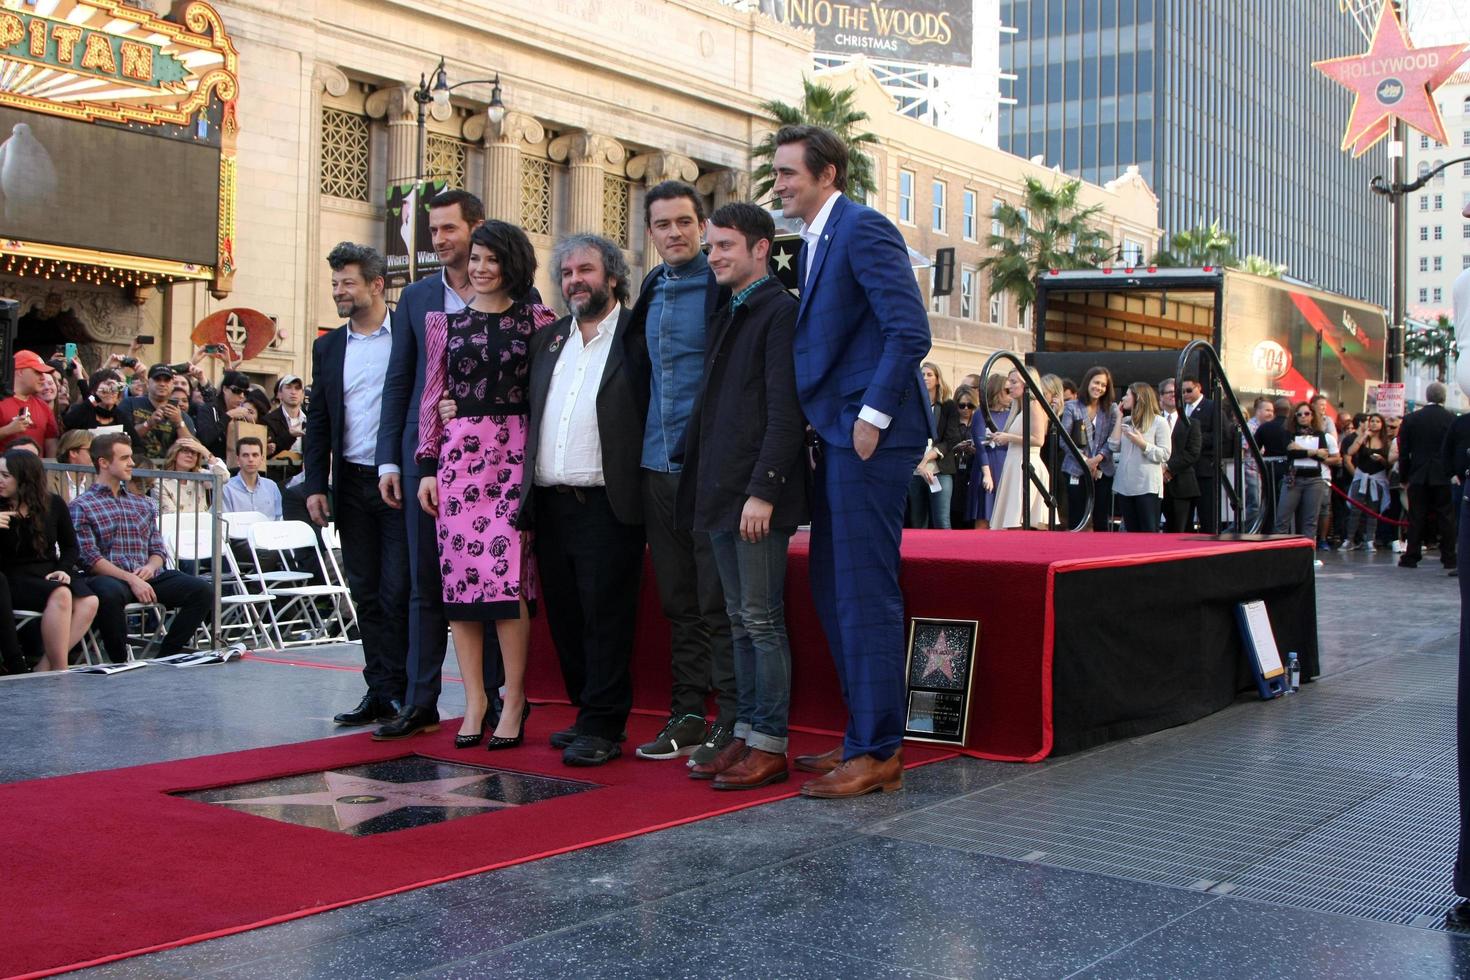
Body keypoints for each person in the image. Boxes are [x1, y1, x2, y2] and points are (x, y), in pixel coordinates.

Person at [773, 124, 930, 798]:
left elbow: (909, 330)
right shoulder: (818, 239)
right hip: (837, 435)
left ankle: (879, 751)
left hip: (870, 436)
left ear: (827, 173)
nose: (777, 184)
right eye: (777, 173)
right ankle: (863, 733)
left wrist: (870, 418)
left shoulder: (863, 229)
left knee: (863, 590)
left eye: (788, 173)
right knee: (836, 586)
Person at [675, 203, 807, 789]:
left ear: (761, 248)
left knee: (761, 621)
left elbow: (786, 411)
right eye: (711, 247)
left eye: (725, 245)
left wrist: (764, 492)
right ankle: (748, 734)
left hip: (755, 497)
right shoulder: (731, 308)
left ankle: (771, 743)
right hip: (722, 489)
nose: (714, 255)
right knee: (737, 620)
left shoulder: (779, 311)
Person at [416, 221, 555, 751]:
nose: (479, 268)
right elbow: (433, 395)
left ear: (512, 263)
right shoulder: (442, 324)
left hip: (515, 457)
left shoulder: (540, 321)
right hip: (458, 459)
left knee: (507, 581)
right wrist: (427, 465)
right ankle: (474, 699)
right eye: (475, 258)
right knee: (461, 586)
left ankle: (514, 698)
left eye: (491, 259)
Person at [375, 189, 507, 741]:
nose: (440, 240)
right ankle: (420, 700)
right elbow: (399, 380)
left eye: (449, 229)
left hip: (491, 462)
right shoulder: (417, 297)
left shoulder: (514, 292)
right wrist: (389, 457)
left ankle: (497, 700)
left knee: (489, 578)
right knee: (423, 582)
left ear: (476, 228)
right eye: (434, 231)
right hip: (422, 457)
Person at [525, 234, 649, 766]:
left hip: (607, 502)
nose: (576, 279)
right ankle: (585, 712)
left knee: (606, 618)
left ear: (613, 277)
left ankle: (603, 724)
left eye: (587, 270)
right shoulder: (548, 340)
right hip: (551, 502)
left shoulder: (636, 339)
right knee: (568, 618)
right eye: (568, 271)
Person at [626, 180, 737, 765]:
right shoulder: (652, 287)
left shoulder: (722, 289)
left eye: (684, 223)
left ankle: (732, 719)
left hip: (709, 471)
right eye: (663, 225)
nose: (674, 233)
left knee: (717, 600)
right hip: (655, 467)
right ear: (651, 233)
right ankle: (689, 714)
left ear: (702, 227)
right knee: (678, 601)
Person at [305, 242, 414, 729]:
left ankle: (409, 691)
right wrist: (315, 484)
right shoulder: (328, 346)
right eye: (334, 284)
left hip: (399, 481)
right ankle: (380, 690)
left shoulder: (407, 335)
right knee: (365, 592)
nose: (339, 292)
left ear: (377, 284)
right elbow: (319, 421)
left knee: (398, 591)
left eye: (347, 283)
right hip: (349, 480)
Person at [70, 433, 213, 662]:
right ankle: (119, 661)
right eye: (125, 458)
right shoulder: (82, 506)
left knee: (202, 590)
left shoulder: (142, 503)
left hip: (146, 574)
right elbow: (89, 558)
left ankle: (167, 656)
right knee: (108, 593)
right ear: (104, 463)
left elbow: (158, 549)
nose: (132, 463)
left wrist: (150, 566)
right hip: (111, 577)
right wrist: (131, 578)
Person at [0, 449, 98, 671]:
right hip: (14, 575)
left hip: (50, 569)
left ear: (24, 477)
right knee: (62, 593)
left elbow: (70, 546)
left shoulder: (52, 503)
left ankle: (44, 668)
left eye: (5, 476)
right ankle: (61, 671)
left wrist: (64, 568)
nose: (0, 481)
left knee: (90, 601)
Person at [1398, 380, 1457, 572]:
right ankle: (1449, 557)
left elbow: (1404, 451)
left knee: (1416, 516)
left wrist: (1404, 477)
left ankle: (1412, 555)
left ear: (1427, 397)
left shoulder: (1412, 419)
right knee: (1446, 517)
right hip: (1442, 475)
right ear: (1444, 397)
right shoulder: (1451, 419)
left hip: (1419, 474)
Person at [988, 368, 1051, 529]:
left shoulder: (1034, 404)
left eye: (1014, 382)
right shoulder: (1019, 408)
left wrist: (1008, 437)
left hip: (1026, 464)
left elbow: (1038, 439)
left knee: (1019, 520)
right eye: (1009, 381)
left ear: (1027, 384)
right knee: (1013, 522)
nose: (1009, 385)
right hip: (1015, 464)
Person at [1108, 382, 1171, 532]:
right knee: (1131, 530)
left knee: (1148, 530)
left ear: (1138, 397)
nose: (1124, 397)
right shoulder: (1126, 421)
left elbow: (1165, 453)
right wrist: (1118, 417)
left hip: (1147, 486)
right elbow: (1113, 445)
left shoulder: (1159, 422)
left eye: (1128, 394)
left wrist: (1142, 444)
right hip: (1124, 485)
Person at [1058, 366, 1115, 531]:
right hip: (1076, 468)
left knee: (1101, 518)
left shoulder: (1110, 410)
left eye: (1103, 385)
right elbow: (1064, 439)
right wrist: (1085, 461)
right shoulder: (1072, 407)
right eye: (1096, 382)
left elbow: (1112, 440)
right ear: (1088, 382)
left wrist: (1097, 460)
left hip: (1102, 469)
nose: (1099, 388)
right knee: (1076, 517)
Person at [906, 362, 962, 529]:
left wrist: (928, 459)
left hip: (940, 469)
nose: (925, 378)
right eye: (922, 375)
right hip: (916, 470)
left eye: (929, 374)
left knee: (942, 520)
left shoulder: (948, 406)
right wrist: (920, 465)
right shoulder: (912, 406)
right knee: (917, 521)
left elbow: (952, 438)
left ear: (938, 379)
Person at [1274, 401, 1338, 541]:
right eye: (1299, 414)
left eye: (1307, 413)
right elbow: (1291, 454)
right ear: (1294, 416)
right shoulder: (1289, 433)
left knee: (1310, 520)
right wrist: (1314, 451)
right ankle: (1278, 555)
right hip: (1293, 479)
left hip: (1314, 480)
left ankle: (1309, 555)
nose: (1303, 417)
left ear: (1312, 416)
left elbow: (1323, 456)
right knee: (1282, 519)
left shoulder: (1319, 434)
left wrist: (1301, 450)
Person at [1179, 374, 1235, 532]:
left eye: (1189, 390)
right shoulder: (1181, 408)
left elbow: (1222, 434)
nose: (1185, 394)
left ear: (1199, 387)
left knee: (1207, 515)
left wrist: (1195, 440)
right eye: (1182, 391)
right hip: (1185, 471)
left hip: (1205, 469)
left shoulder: (1212, 406)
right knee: (1184, 518)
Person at [120, 363, 196, 461]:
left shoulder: (182, 416)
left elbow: (191, 448)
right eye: (157, 379)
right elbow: (121, 439)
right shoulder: (129, 403)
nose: (162, 384)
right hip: (133, 466)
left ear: (173, 385)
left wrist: (179, 422)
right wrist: (149, 423)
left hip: (166, 471)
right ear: (148, 383)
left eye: (167, 380)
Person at [1341, 413, 1394, 552]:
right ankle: (1349, 539)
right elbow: (1350, 451)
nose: (1374, 423)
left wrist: (1381, 459)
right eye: (1372, 421)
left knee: (1373, 511)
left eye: (1377, 421)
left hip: (1377, 478)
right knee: (1355, 509)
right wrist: (1364, 436)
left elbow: (1389, 462)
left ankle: (1370, 539)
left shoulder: (1386, 441)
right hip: (1362, 476)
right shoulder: (1363, 438)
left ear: (1382, 424)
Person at [1159, 377, 1202, 533]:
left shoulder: (1192, 423)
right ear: (1161, 396)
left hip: (1182, 486)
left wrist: (1167, 468)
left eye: (1176, 392)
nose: (1173, 395)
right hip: (1156, 486)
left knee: (1180, 531)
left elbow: (1193, 453)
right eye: (1169, 392)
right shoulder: (1153, 422)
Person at [0, 351, 60, 456]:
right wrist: (7, 430)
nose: (43, 377)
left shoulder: (44, 407)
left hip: (35, 471)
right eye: (38, 372)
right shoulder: (2, 402)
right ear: (20, 372)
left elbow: (51, 447)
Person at [971, 373, 1011, 529]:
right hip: (987, 466)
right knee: (984, 515)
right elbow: (980, 445)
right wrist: (987, 474)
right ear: (996, 391)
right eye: (1006, 391)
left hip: (1005, 465)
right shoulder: (980, 414)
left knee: (1005, 517)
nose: (1010, 395)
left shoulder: (1011, 414)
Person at [192, 370, 252, 460]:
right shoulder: (208, 409)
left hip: (237, 466)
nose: (242, 396)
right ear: (225, 389)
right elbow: (204, 438)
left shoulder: (242, 415)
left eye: (246, 393)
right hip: (212, 466)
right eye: (237, 391)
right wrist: (227, 416)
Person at [221, 437, 283, 520]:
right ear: (238, 460)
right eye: (245, 455)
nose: (250, 459)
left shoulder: (272, 487)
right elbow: (225, 523)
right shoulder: (227, 488)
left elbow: (279, 519)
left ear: (262, 459)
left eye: (255, 455)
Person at [949, 384, 978, 529]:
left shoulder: (978, 423)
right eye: (962, 405)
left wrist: (974, 449)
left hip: (972, 469)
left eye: (970, 405)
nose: (966, 409)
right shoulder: (951, 423)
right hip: (954, 470)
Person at [265, 375, 307, 459]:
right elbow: (270, 451)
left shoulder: (310, 419)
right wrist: (289, 435)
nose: (293, 392)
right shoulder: (268, 420)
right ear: (279, 394)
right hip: (278, 470)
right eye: (288, 387)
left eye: (297, 388)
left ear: (302, 395)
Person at [49, 429, 95, 504]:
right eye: (91, 450)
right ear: (73, 452)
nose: (95, 455)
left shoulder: (96, 478)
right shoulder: (49, 479)